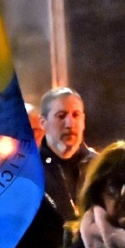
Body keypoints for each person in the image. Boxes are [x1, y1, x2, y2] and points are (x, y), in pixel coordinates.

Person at [39, 86, 96, 221]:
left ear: (83, 121)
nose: (70, 124)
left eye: (76, 115)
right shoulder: (29, 172)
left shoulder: (100, 166)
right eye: (61, 116)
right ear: (43, 123)